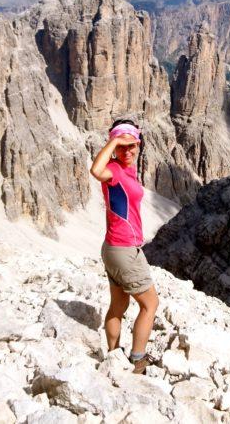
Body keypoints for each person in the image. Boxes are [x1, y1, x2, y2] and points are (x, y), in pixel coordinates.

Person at [89, 118, 159, 374]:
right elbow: (96, 171)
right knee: (150, 305)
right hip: (123, 250)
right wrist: (114, 142)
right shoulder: (114, 171)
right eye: (122, 147)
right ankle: (137, 359)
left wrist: (121, 143)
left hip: (114, 248)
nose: (127, 151)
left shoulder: (127, 169)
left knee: (118, 306)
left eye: (132, 145)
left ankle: (113, 356)